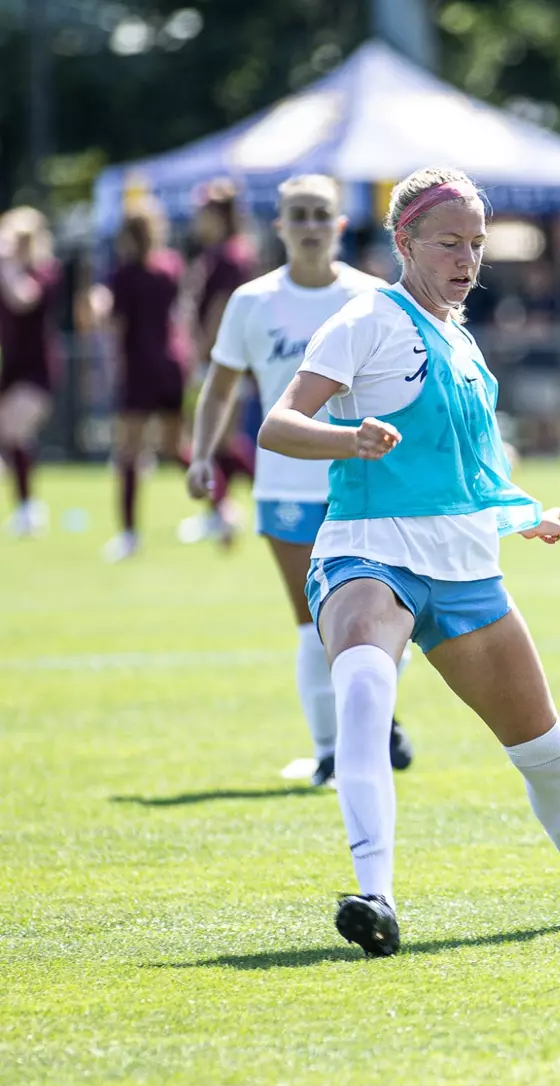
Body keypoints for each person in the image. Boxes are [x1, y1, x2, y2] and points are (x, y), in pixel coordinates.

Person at [259, 166, 560, 956]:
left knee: (542, 746)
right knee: (366, 686)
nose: (467, 259)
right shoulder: (364, 318)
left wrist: (526, 514)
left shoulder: (462, 339)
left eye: (477, 244)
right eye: (450, 242)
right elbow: (279, 425)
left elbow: (472, 471)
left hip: (465, 566)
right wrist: (349, 438)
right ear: (405, 241)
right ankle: (373, 895)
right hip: (369, 552)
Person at [186, 173, 413, 787]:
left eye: (322, 214)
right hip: (285, 485)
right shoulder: (252, 302)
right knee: (313, 625)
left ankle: (374, 724)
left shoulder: (373, 297)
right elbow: (222, 386)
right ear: (279, 227)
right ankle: (331, 755)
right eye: (299, 215)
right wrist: (202, 454)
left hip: (367, 484)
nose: (311, 225)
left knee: (384, 619)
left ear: (340, 225)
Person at [104, 200, 191, 562]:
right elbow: (181, 315)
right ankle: (221, 508)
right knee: (175, 448)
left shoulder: (122, 274)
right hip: (172, 365)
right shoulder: (171, 266)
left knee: (128, 453)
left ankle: (128, 534)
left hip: (139, 369)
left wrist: (111, 373)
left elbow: (116, 328)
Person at [180, 179, 259, 545]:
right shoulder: (220, 253)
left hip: (222, 360)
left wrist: (201, 352)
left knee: (212, 440)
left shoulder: (230, 255)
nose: (198, 219)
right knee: (221, 443)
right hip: (223, 358)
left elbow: (220, 309)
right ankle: (223, 509)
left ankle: (238, 506)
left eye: (203, 212)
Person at [0, 206, 63, 537]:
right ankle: (26, 504)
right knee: (11, 435)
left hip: (37, 368)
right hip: (9, 368)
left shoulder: (45, 271)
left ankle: (28, 509)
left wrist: (6, 265)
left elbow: (22, 299)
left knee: (13, 431)